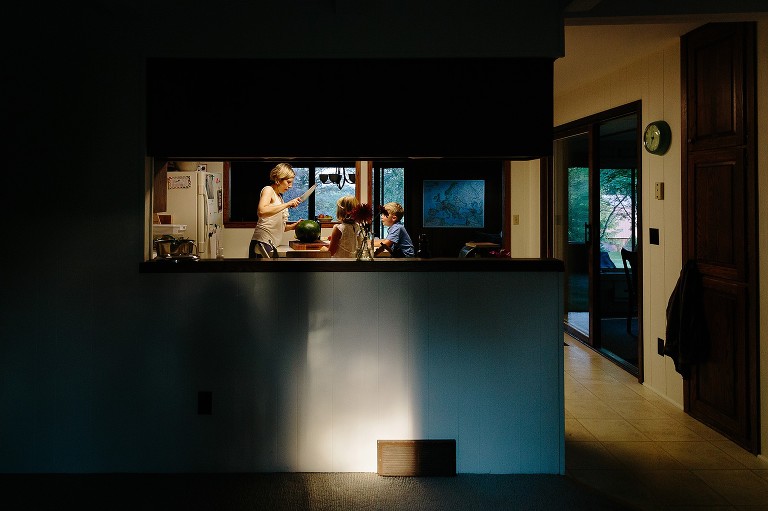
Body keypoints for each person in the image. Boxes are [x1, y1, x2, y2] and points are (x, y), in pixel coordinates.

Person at [249, 163, 303, 258]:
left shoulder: (279, 197)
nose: (290, 186)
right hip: (262, 242)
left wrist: (293, 227)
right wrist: (288, 204)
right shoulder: (268, 190)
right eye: (288, 182)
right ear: (278, 179)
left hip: (270, 244)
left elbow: (276, 225)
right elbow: (261, 211)